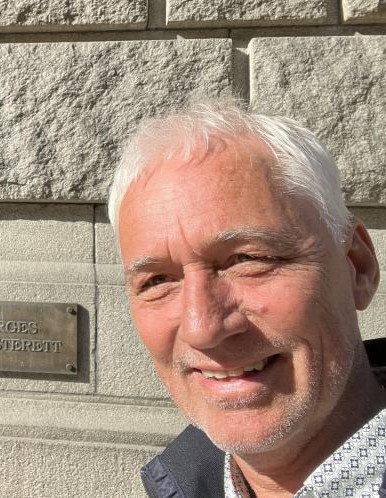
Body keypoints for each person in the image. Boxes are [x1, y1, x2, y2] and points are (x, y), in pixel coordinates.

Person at [107, 102, 386, 497]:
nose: (202, 328)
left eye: (247, 260)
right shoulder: (180, 482)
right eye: (158, 281)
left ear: (358, 267)